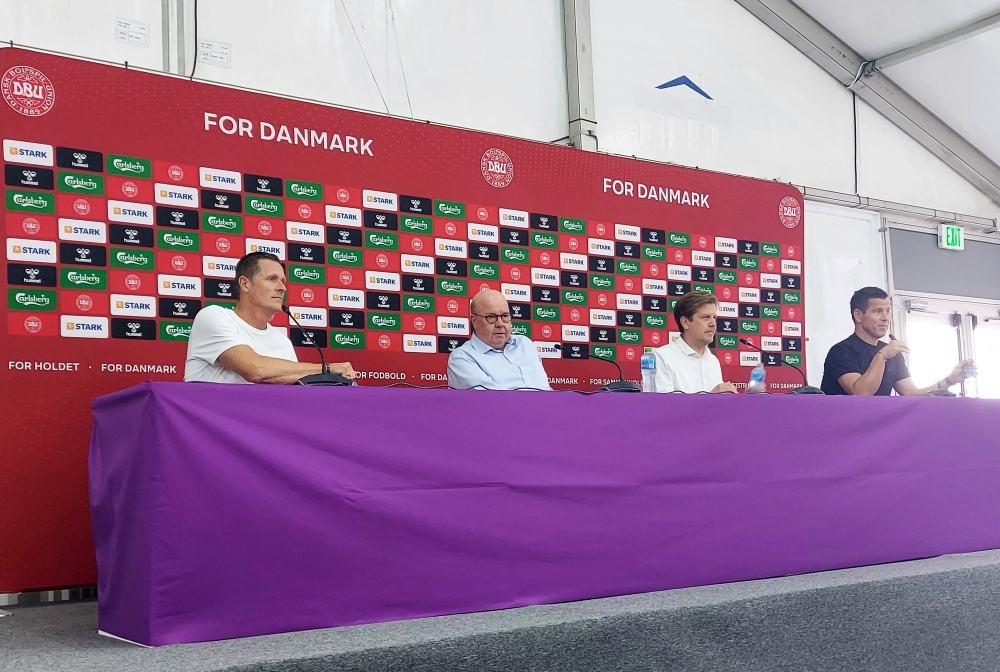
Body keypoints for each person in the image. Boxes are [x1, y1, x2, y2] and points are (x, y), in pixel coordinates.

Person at [184, 252, 355, 384]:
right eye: (272, 279)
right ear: (245, 284)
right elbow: (255, 370)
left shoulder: (282, 341)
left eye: (283, 281)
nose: (282, 288)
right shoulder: (213, 316)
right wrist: (326, 369)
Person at [820, 286, 970, 396]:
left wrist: (949, 380)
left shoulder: (891, 353)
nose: (886, 318)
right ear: (858, 316)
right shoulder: (841, 352)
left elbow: (911, 395)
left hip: (879, 431)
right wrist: (881, 356)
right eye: (878, 311)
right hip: (845, 432)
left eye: (888, 311)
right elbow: (861, 393)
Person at [447, 289, 551, 390]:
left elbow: (546, 389)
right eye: (491, 317)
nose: (500, 324)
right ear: (475, 321)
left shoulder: (524, 344)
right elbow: (494, 401)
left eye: (505, 316)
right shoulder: (462, 358)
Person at [652, 290, 738, 393]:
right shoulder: (662, 358)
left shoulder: (713, 361)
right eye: (705, 317)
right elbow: (662, 406)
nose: (713, 324)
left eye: (714, 317)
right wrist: (711, 398)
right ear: (685, 322)